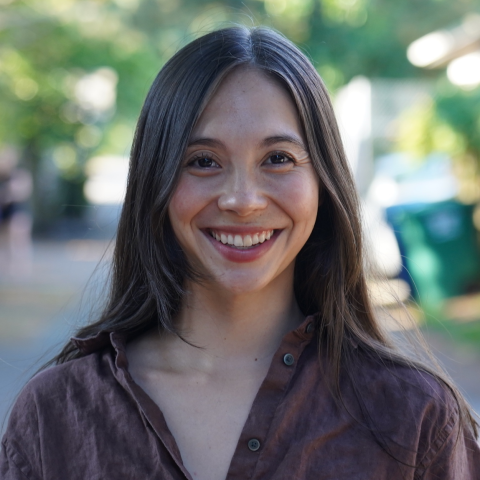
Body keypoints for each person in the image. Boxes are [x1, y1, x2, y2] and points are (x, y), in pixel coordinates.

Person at [1, 26, 479, 480]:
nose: (243, 200)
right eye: (203, 162)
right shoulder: (55, 415)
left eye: (278, 159)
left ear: (323, 182)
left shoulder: (415, 416)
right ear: (155, 183)